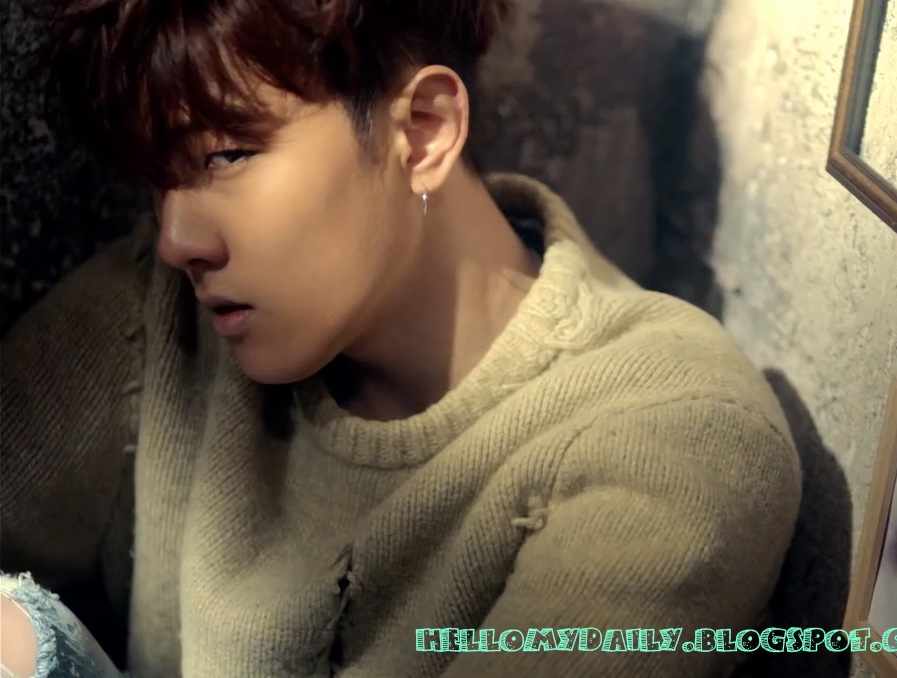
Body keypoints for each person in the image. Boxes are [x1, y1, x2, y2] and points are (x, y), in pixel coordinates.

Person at [0, 0, 803, 676]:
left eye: (227, 154)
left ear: (423, 132)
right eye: (159, 178)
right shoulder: (163, 306)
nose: (180, 238)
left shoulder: (667, 431)